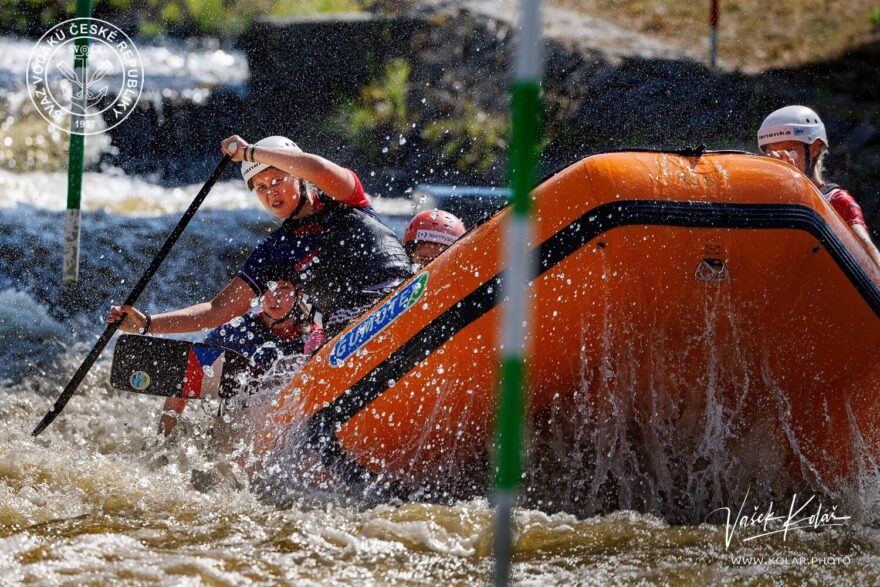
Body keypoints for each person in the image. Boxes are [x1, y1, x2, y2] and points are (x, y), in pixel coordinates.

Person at [107, 135, 413, 344]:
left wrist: (250, 153)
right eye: (261, 187)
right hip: (351, 326)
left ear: (298, 177)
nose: (271, 193)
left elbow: (317, 167)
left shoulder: (344, 197)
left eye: (278, 180)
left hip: (399, 294)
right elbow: (218, 310)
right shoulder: (275, 249)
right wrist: (148, 324)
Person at [157, 279, 323, 437]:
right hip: (235, 427)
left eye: (284, 288)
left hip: (287, 429)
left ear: (299, 295)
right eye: (268, 288)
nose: (275, 296)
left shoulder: (312, 337)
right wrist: (163, 440)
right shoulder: (237, 331)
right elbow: (189, 377)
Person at [758, 105, 880, 268]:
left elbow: (866, 248)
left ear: (814, 149)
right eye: (774, 155)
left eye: (789, 151)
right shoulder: (768, 199)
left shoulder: (836, 200)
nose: (782, 159)